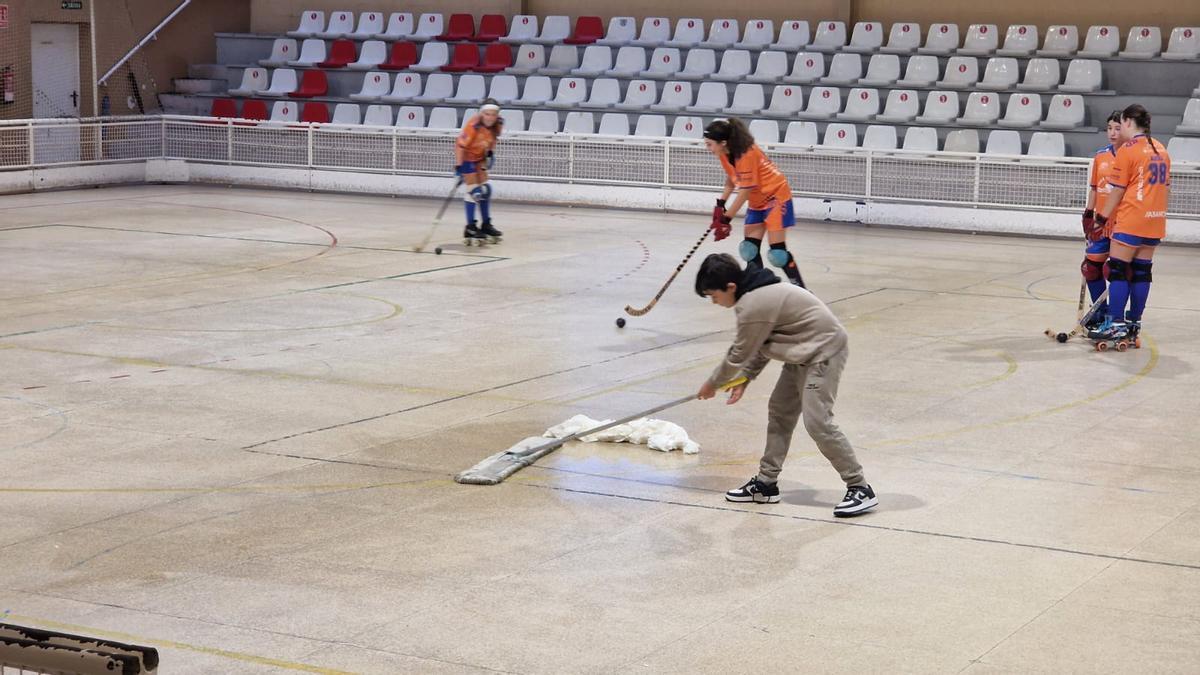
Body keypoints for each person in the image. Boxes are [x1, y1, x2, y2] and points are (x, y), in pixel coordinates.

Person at [694, 253, 876, 517]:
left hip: (823, 352)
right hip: (801, 353)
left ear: (730, 287)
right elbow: (761, 343)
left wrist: (712, 383)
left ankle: (860, 487)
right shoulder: (755, 293)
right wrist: (746, 378)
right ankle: (766, 484)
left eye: (714, 295)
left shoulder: (753, 303)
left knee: (818, 422)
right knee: (780, 412)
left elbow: (739, 353)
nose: (714, 301)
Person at [1089, 104, 1171, 344]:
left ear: (1127, 122)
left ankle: (1116, 324)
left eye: (1120, 124)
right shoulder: (1161, 148)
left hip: (1131, 220)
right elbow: (1166, 188)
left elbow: (1117, 191)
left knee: (1118, 270)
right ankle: (1134, 322)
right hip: (1155, 220)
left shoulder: (1128, 150)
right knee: (1142, 272)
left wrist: (1101, 218)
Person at [702, 119, 805, 287]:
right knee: (749, 250)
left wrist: (726, 218)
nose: (708, 149)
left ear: (723, 142)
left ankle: (802, 290)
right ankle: (760, 288)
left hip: (775, 197)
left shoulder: (746, 154)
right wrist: (721, 204)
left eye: (709, 144)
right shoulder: (724, 153)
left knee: (777, 254)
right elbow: (732, 179)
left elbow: (745, 191)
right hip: (757, 201)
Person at [1079, 111, 1124, 327]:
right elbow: (1095, 189)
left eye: (1117, 128)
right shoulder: (1101, 156)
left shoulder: (1131, 157)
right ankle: (1100, 310)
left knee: (1115, 271)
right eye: (1109, 128)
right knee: (1090, 268)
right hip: (1100, 222)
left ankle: (1116, 317)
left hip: (1122, 223)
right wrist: (1088, 215)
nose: (1112, 133)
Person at [455, 99, 504, 243]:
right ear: (482, 114)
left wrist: (489, 154)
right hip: (467, 158)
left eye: (493, 114)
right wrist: (459, 167)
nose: (490, 117)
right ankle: (470, 227)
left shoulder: (498, 124)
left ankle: (486, 224)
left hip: (480, 157)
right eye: (487, 114)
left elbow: (492, 139)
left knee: (486, 190)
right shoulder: (473, 125)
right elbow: (460, 146)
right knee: (474, 191)